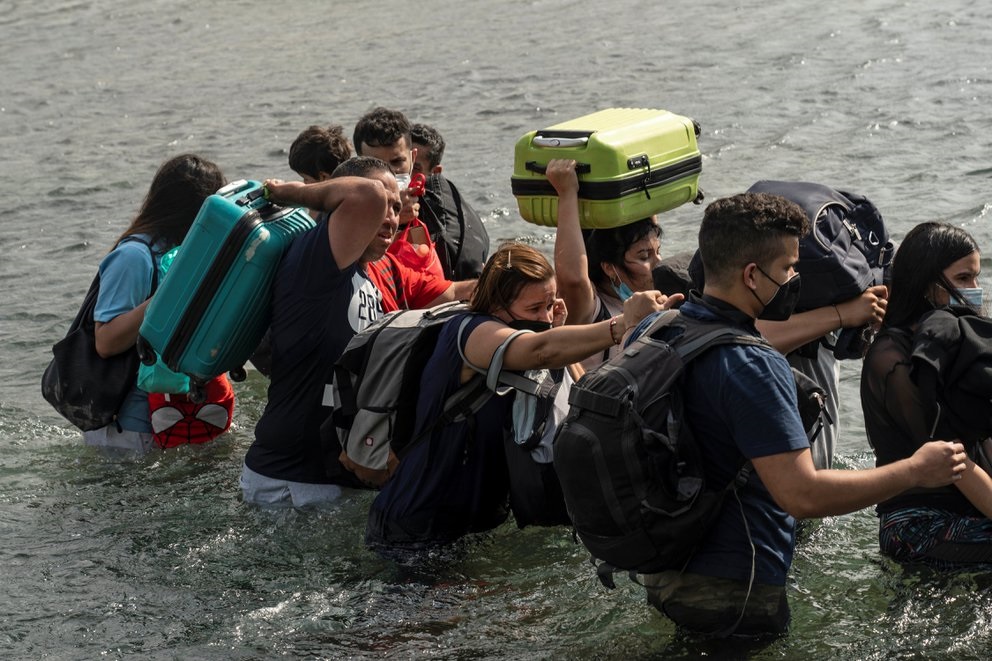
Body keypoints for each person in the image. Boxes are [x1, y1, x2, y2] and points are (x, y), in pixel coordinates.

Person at [630, 193, 967, 637]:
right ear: (752, 275)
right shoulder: (751, 363)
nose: (794, 280)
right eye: (789, 268)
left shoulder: (656, 327)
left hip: (662, 564)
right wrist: (914, 470)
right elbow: (803, 495)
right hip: (732, 585)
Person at [366, 241, 673, 552]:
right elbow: (539, 352)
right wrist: (622, 324)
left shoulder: (532, 334)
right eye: (533, 309)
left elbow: (581, 399)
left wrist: (557, 329)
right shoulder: (472, 331)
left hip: (470, 527)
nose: (543, 317)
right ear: (497, 305)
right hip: (416, 526)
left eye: (550, 304)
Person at [241, 156, 472, 508]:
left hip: (338, 475)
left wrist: (521, 289)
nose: (392, 217)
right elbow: (365, 194)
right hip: (288, 483)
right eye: (385, 204)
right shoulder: (317, 261)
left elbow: (451, 293)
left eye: (397, 207)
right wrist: (293, 192)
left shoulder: (375, 272)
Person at [861, 221, 992, 567]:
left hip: (974, 506)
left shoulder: (959, 340)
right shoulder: (893, 360)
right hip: (918, 524)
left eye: (977, 277)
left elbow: (982, 437)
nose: (975, 290)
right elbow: (951, 459)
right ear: (929, 285)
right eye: (964, 279)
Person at [85, 153, 228, 454]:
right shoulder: (133, 257)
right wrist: (165, 299)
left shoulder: (184, 251)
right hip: (132, 430)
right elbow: (106, 341)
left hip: (180, 417)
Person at [410, 122, 491, 279]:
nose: (401, 172)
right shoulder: (452, 195)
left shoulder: (427, 215)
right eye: (400, 161)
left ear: (436, 171)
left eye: (415, 167)